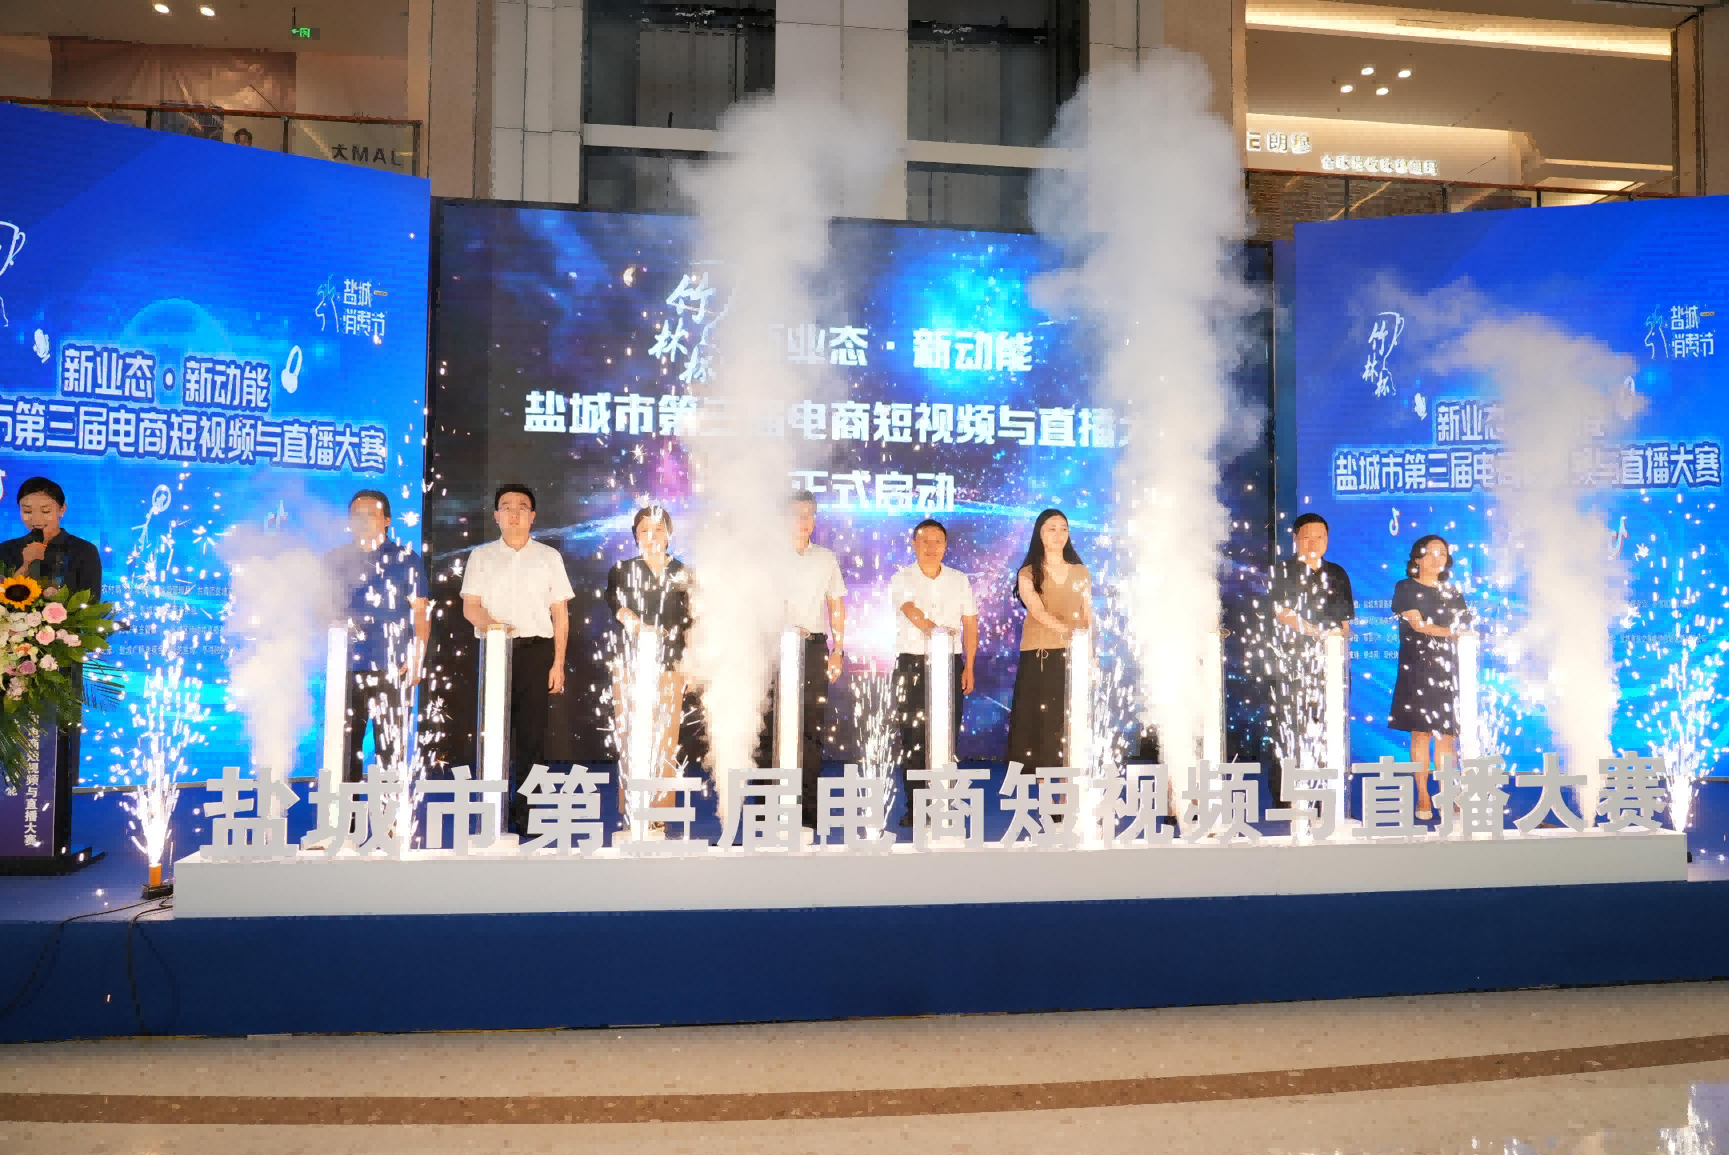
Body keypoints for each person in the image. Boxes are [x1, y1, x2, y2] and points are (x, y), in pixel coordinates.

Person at [460, 485, 574, 834]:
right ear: (496, 515)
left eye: (522, 507)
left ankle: (528, 812)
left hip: (537, 653)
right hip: (495, 650)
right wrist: (494, 628)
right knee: (493, 734)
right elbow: (471, 606)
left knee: (532, 738)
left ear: (532, 516)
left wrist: (557, 663)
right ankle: (491, 810)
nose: (514, 513)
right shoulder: (481, 556)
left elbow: (560, 614)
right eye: (506, 507)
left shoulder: (549, 557)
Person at [0, 477, 103, 857]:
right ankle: (14, 828)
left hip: (60, 662)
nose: (37, 518)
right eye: (27, 511)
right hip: (11, 663)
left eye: (45, 510)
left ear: (61, 509)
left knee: (58, 737)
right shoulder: (8, 550)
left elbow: (90, 606)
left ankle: (53, 833)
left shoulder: (83, 551)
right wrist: (27, 563)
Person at [756, 490, 847, 830]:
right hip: (772, 648)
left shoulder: (825, 558)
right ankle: (766, 815)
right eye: (796, 514)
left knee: (810, 729)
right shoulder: (767, 556)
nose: (802, 520)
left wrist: (838, 649)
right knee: (769, 729)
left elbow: (836, 603)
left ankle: (807, 814)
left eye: (808, 514)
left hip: (812, 647)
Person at [324, 490, 429, 784]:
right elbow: (320, 609)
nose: (364, 520)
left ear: (387, 520)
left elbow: (421, 611)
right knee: (345, 751)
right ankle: (345, 812)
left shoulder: (406, 559)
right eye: (357, 515)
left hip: (394, 668)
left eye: (371, 514)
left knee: (391, 751)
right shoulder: (334, 560)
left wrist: (417, 655)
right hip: (346, 668)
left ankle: (390, 812)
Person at [604, 506, 700, 825]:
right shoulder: (622, 570)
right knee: (631, 736)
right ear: (635, 535)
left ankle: (659, 811)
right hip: (631, 663)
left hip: (671, 664)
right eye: (644, 530)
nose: (651, 535)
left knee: (665, 738)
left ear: (669, 534)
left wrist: (691, 664)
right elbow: (617, 606)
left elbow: (693, 622)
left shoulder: (684, 573)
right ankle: (634, 808)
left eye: (658, 529)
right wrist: (636, 624)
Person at [888, 519, 979, 827]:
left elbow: (970, 623)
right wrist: (936, 630)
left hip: (950, 663)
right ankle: (917, 806)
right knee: (913, 735)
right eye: (924, 541)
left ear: (945, 545)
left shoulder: (959, 580)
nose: (931, 547)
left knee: (947, 733)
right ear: (914, 544)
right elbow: (910, 610)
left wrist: (969, 666)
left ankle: (943, 803)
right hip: (913, 663)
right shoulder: (902, 577)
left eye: (937, 541)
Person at [1267, 512, 1355, 803]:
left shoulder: (1338, 573)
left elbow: (1345, 623)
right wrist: (1317, 633)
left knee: (1329, 726)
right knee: (1292, 725)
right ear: (1295, 539)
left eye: (1320, 537)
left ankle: (1326, 795)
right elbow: (1282, 613)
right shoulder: (1283, 571)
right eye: (1307, 537)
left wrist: (1339, 647)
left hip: (1330, 665)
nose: (1314, 542)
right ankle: (1290, 796)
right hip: (1293, 664)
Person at [1389, 534, 1472, 821]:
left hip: (1448, 670)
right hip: (1417, 669)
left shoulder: (1453, 593)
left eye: (1442, 553)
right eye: (1431, 552)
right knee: (1421, 733)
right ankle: (1423, 794)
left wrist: (1465, 634)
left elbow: (1466, 628)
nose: (1437, 558)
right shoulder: (1405, 587)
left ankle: (1447, 793)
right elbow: (1418, 624)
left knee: (1448, 736)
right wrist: (1451, 633)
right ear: (1417, 558)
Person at [1005, 509, 1092, 776]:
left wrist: (1090, 651)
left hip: (1074, 657)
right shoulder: (1028, 572)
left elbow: (1088, 616)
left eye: (1063, 528)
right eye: (1051, 529)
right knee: (1041, 726)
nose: (1058, 534)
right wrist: (1070, 633)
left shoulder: (1081, 572)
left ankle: (1069, 791)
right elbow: (1039, 613)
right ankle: (1046, 792)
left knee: (1070, 724)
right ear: (1039, 534)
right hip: (1040, 657)